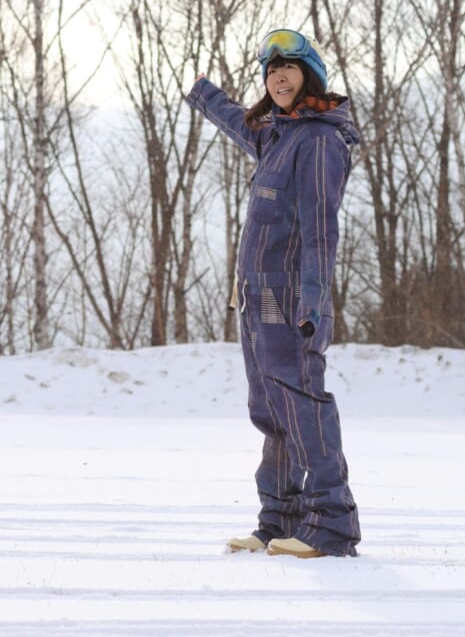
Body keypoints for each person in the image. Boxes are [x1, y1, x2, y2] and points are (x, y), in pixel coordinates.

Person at [186, 28, 361, 559]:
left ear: (309, 74)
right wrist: (202, 90)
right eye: (269, 69)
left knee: (304, 407)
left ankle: (330, 526)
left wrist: (313, 300)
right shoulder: (279, 134)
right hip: (254, 298)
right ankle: (279, 520)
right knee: (271, 410)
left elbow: (320, 230)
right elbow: (241, 124)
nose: (277, 76)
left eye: (288, 66)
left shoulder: (319, 141)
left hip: (290, 301)